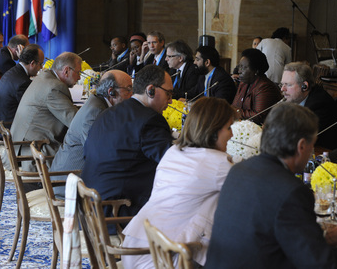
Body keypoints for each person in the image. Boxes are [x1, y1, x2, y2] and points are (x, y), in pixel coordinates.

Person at [205, 102, 337, 268]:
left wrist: (324, 238)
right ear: (301, 146)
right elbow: (319, 264)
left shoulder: (239, 170)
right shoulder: (292, 191)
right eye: (312, 145)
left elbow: (271, 237)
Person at [121, 97, 236, 268]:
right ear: (213, 131)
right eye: (228, 128)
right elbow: (251, 191)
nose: (232, 134)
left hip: (138, 249)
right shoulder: (217, 164)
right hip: (164, 260)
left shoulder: (174, 151)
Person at [82, 65, 173, 222]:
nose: (171, 100)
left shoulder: (107, 113)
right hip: (117, 213)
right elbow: (173, 163)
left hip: (90, 208)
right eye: (169, 93)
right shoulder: (150, 120)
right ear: (151, 90)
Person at [50, 70, 133, 196]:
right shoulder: (95, 112)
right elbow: (98, 154)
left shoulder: (99, 104)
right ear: (112, 92)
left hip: (73, 176)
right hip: (68, 183)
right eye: (128, 89)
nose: (132, 94)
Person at [10, 52, 81, 173]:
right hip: (33, 154)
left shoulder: (45, 77)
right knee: (80, 153)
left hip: (22, 145)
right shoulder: (55, 87)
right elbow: (75, 122)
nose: (79, 77)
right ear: (66, 71)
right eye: (78, 72)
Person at [281, 62, 337, 149]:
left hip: (326, 154)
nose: (283, 89)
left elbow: (303, 137)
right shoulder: (293, 100)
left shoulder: (319, 103)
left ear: (304, 86)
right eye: (282, 84)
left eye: (288, 85)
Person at [0, 44, 44, 126]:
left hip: (0, 123)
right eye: (41, 64)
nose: (41, 68)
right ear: (32, 63)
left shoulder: (14, 71)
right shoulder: (22, 82)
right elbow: (31, 110)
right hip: (7, 130)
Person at [232, 48, 282, 125]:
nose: (239, 71)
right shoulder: (244, 83)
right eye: (239, 67)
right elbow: (235, 105)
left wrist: (236, 111)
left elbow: (259, 116)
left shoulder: (265, 87)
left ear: (256, 71)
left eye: (243, 68)